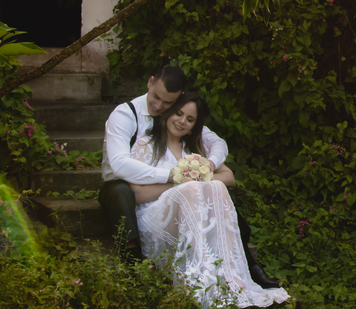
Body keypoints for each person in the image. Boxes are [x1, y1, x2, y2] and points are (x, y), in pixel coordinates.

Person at [98, 65, 279, 288]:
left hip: (172, 187)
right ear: (150, 82)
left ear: (179, 97)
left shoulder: (179, 117)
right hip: (120, 183)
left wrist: (207, 166)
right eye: (156, 97)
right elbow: (119, 164)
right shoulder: (126, 114)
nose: (158, 106)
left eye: (167, 103)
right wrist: (176, 177)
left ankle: (248, 266)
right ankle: (132, 256)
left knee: (213, 193)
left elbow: (217, 143)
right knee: (121, 192)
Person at [128, 93, 292, 309]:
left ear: (194, 126)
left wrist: (197, 178)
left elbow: (229, 177)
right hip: (156, 216)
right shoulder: (145, 144)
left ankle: (231, 278)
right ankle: (198, 282)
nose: (181, 121)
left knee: (214, 185)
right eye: (179, 113)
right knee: (193, 187)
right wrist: (182, 182)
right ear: (168, 112)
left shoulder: (194, 148)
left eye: (190, 119)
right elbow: (136, 194)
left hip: (195, 218)